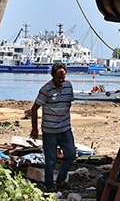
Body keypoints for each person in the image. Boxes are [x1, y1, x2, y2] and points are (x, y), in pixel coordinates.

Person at [30, 62, 76, 192]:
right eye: (58, 78)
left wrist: (63, 116)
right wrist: (35, 128)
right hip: (50, 131)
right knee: (50, 161)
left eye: (63, 77)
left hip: (65, 128)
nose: (61, 80)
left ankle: (61, 180)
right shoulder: (46, 89)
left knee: (71, 154)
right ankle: (49, 186)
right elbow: (34, 109)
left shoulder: (68, 86)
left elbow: (68, 103)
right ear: (52, 76)